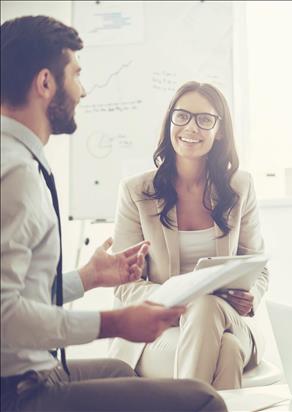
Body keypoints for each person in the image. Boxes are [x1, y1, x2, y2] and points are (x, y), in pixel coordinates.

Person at [0, 15, 225, 412]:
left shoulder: (19, 159)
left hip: (34, 373)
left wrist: (89, 278)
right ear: (46, 83)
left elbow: (22, 292)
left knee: (121, 370)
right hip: (21, 389)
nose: (83, 91)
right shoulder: (15, 171)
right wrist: (113, 322)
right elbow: (4, 316)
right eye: (76, 75)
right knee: (203, 401)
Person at [108, 81, 268, 390]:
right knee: (228, 352)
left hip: (228, 318)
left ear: (219, 130)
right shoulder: (136, 191)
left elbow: (259, 266)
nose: (190, 127)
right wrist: (177, 294)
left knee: (206, 307)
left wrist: (252, 297)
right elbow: (124, 285)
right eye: (181, 116)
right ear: (170, 121)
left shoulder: (240, 187)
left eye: (204, 119)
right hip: (159, 329)